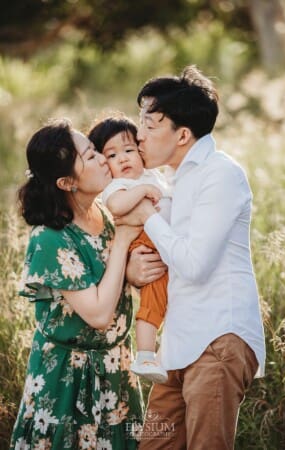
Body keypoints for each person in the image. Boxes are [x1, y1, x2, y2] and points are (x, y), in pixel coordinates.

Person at [120, 66, 266, 449]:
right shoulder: (171, 182)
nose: (139, 136)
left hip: (219, 338)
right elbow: (161, 253)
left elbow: (194, 263)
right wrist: (133, 271)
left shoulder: (221, 174)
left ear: (182, 134)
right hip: (178, 346)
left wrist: (148, 217)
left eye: (150, 126)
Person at [10, 119, 144, 450]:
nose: (103, 158)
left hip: (116, 368)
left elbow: (116, 283)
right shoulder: (51, 238)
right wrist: (126, 239)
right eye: (90, 155)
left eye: (97, 151)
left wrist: (132, 274)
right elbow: (98, 314)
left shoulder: (108, 214)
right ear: (67, 181)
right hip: (68, 379)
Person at [88, 114, 172, 384]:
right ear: (103, 164)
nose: (123, 159)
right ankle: (145, 354)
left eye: (128, 150)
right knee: (153, 300)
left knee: (173, 301)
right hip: (146, 246)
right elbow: (118, 206)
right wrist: (143, 190)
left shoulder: (154, 174)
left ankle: (167, 347)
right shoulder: (117, 186)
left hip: (168, 245)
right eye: (111, 155)